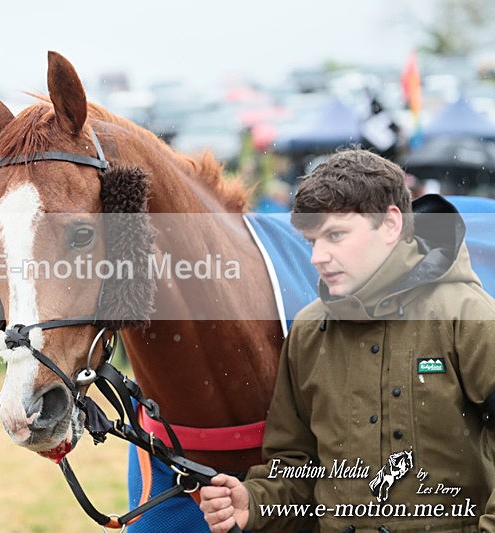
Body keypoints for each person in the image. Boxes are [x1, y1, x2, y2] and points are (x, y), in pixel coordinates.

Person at [200, 149, 495, 532]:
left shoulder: (468, 316)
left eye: (335, 235)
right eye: (312, 241)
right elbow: (296, 469)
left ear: (390, 225)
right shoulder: (308, 332)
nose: (317, 257)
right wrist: (253, 503)